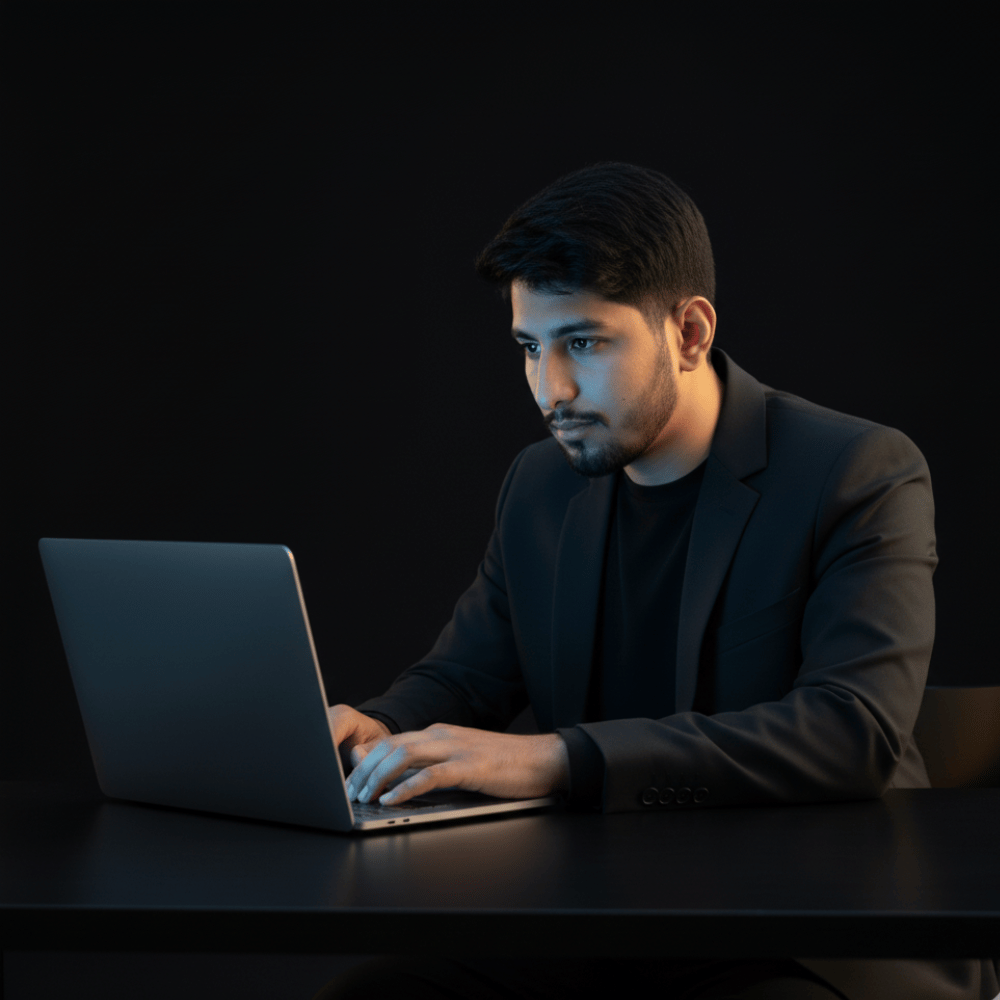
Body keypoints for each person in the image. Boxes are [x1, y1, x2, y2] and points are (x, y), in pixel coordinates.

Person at [312, 163, 999, 1000]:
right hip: (597, 920)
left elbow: (850, 731)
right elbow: (468, 676)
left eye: (585, 343)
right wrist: (371, 728)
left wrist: (557, 761)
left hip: (809, 928)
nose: (548, 389)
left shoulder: (857, 472)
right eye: (531, 347)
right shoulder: (541, 484)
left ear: (690, 332)